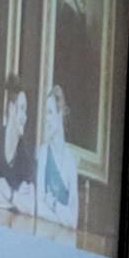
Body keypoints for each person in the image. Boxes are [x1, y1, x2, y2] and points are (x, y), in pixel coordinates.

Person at [53, 0, 100, 151]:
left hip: (80, 77)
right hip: (69, 75)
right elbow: (63, 47)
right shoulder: (67, 9)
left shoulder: (81, 10)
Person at [0, 76, 36, 216]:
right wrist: (18, 200)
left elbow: (30, 206)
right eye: (22, 109)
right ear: (12, 109)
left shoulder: (24, 153)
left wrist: (9, 193)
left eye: (26, 111)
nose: (25, 117)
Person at [36, 82, 81, 229]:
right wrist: (63, 216)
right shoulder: (43, 153)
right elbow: (39, 207)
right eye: (45, 113)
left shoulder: (70, 162)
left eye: (50, 112)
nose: (46, 119)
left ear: (60, 113)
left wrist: (53, 204)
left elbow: (73, 221)